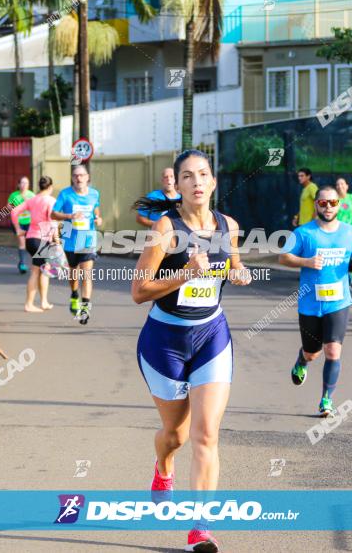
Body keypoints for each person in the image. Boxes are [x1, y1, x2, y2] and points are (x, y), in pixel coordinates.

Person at [131, 149, 251, 553]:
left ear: (213, 182)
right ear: (178, 186)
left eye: (203, 174)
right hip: (164, 341)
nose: (197, 181)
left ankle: (201, 529)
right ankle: (163, 467)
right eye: (188, 176)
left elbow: (231, 262)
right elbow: (138, 291)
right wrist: (185, 273)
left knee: (206, 434)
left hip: (211, 337)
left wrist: (237, 270)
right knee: (176, 435)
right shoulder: (165, 229)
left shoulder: (229, 225)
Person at [280, 185, 352, 417]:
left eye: (332, 203)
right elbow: (283, 257)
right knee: (313, 353)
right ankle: (302, 360)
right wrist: (306, 262)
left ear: (339, 205)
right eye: (322, 203)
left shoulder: (349, 232)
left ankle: (326, 401)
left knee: (332, 351)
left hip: (338, 303)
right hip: (310, 304)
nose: (328, 207)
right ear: (317, 204)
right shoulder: (304, 233)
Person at [51, 163, 101, 324]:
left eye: (82, 175)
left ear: (87, 178)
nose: (79, 178)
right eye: (75, 175)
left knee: (86, 274)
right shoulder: (65, 194)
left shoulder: (94, 194)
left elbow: (96, 209)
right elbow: (53, 214)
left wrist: (98, 218)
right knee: (74, 273)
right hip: (70, 241)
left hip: (87, 240)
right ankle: (74, 294)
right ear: (72, 179)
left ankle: (85, 308)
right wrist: (69, 216)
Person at [11, 176, 57, 313]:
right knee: (38, 271)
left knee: (43, 269)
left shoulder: (33, 199)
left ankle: (43, 302)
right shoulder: (51, 200)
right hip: (42, 239)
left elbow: (14, 211)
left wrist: (18, 229)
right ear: (50, 187)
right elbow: (53, 221)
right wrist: (57, 240)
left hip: (30, 239)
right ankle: (29, 304)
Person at [8, 176, 35, 274]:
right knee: (22, 243)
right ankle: (23, 264)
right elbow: (9, 208)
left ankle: (23, 262)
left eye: (26, 183)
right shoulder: (14, 195)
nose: (24, 185)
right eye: (22, 183)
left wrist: (26, 202)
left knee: (30, 244)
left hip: (29, 222)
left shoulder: (31, 195)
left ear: (28, 185)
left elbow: (35, 209)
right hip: (18, 223)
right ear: (18, 185)